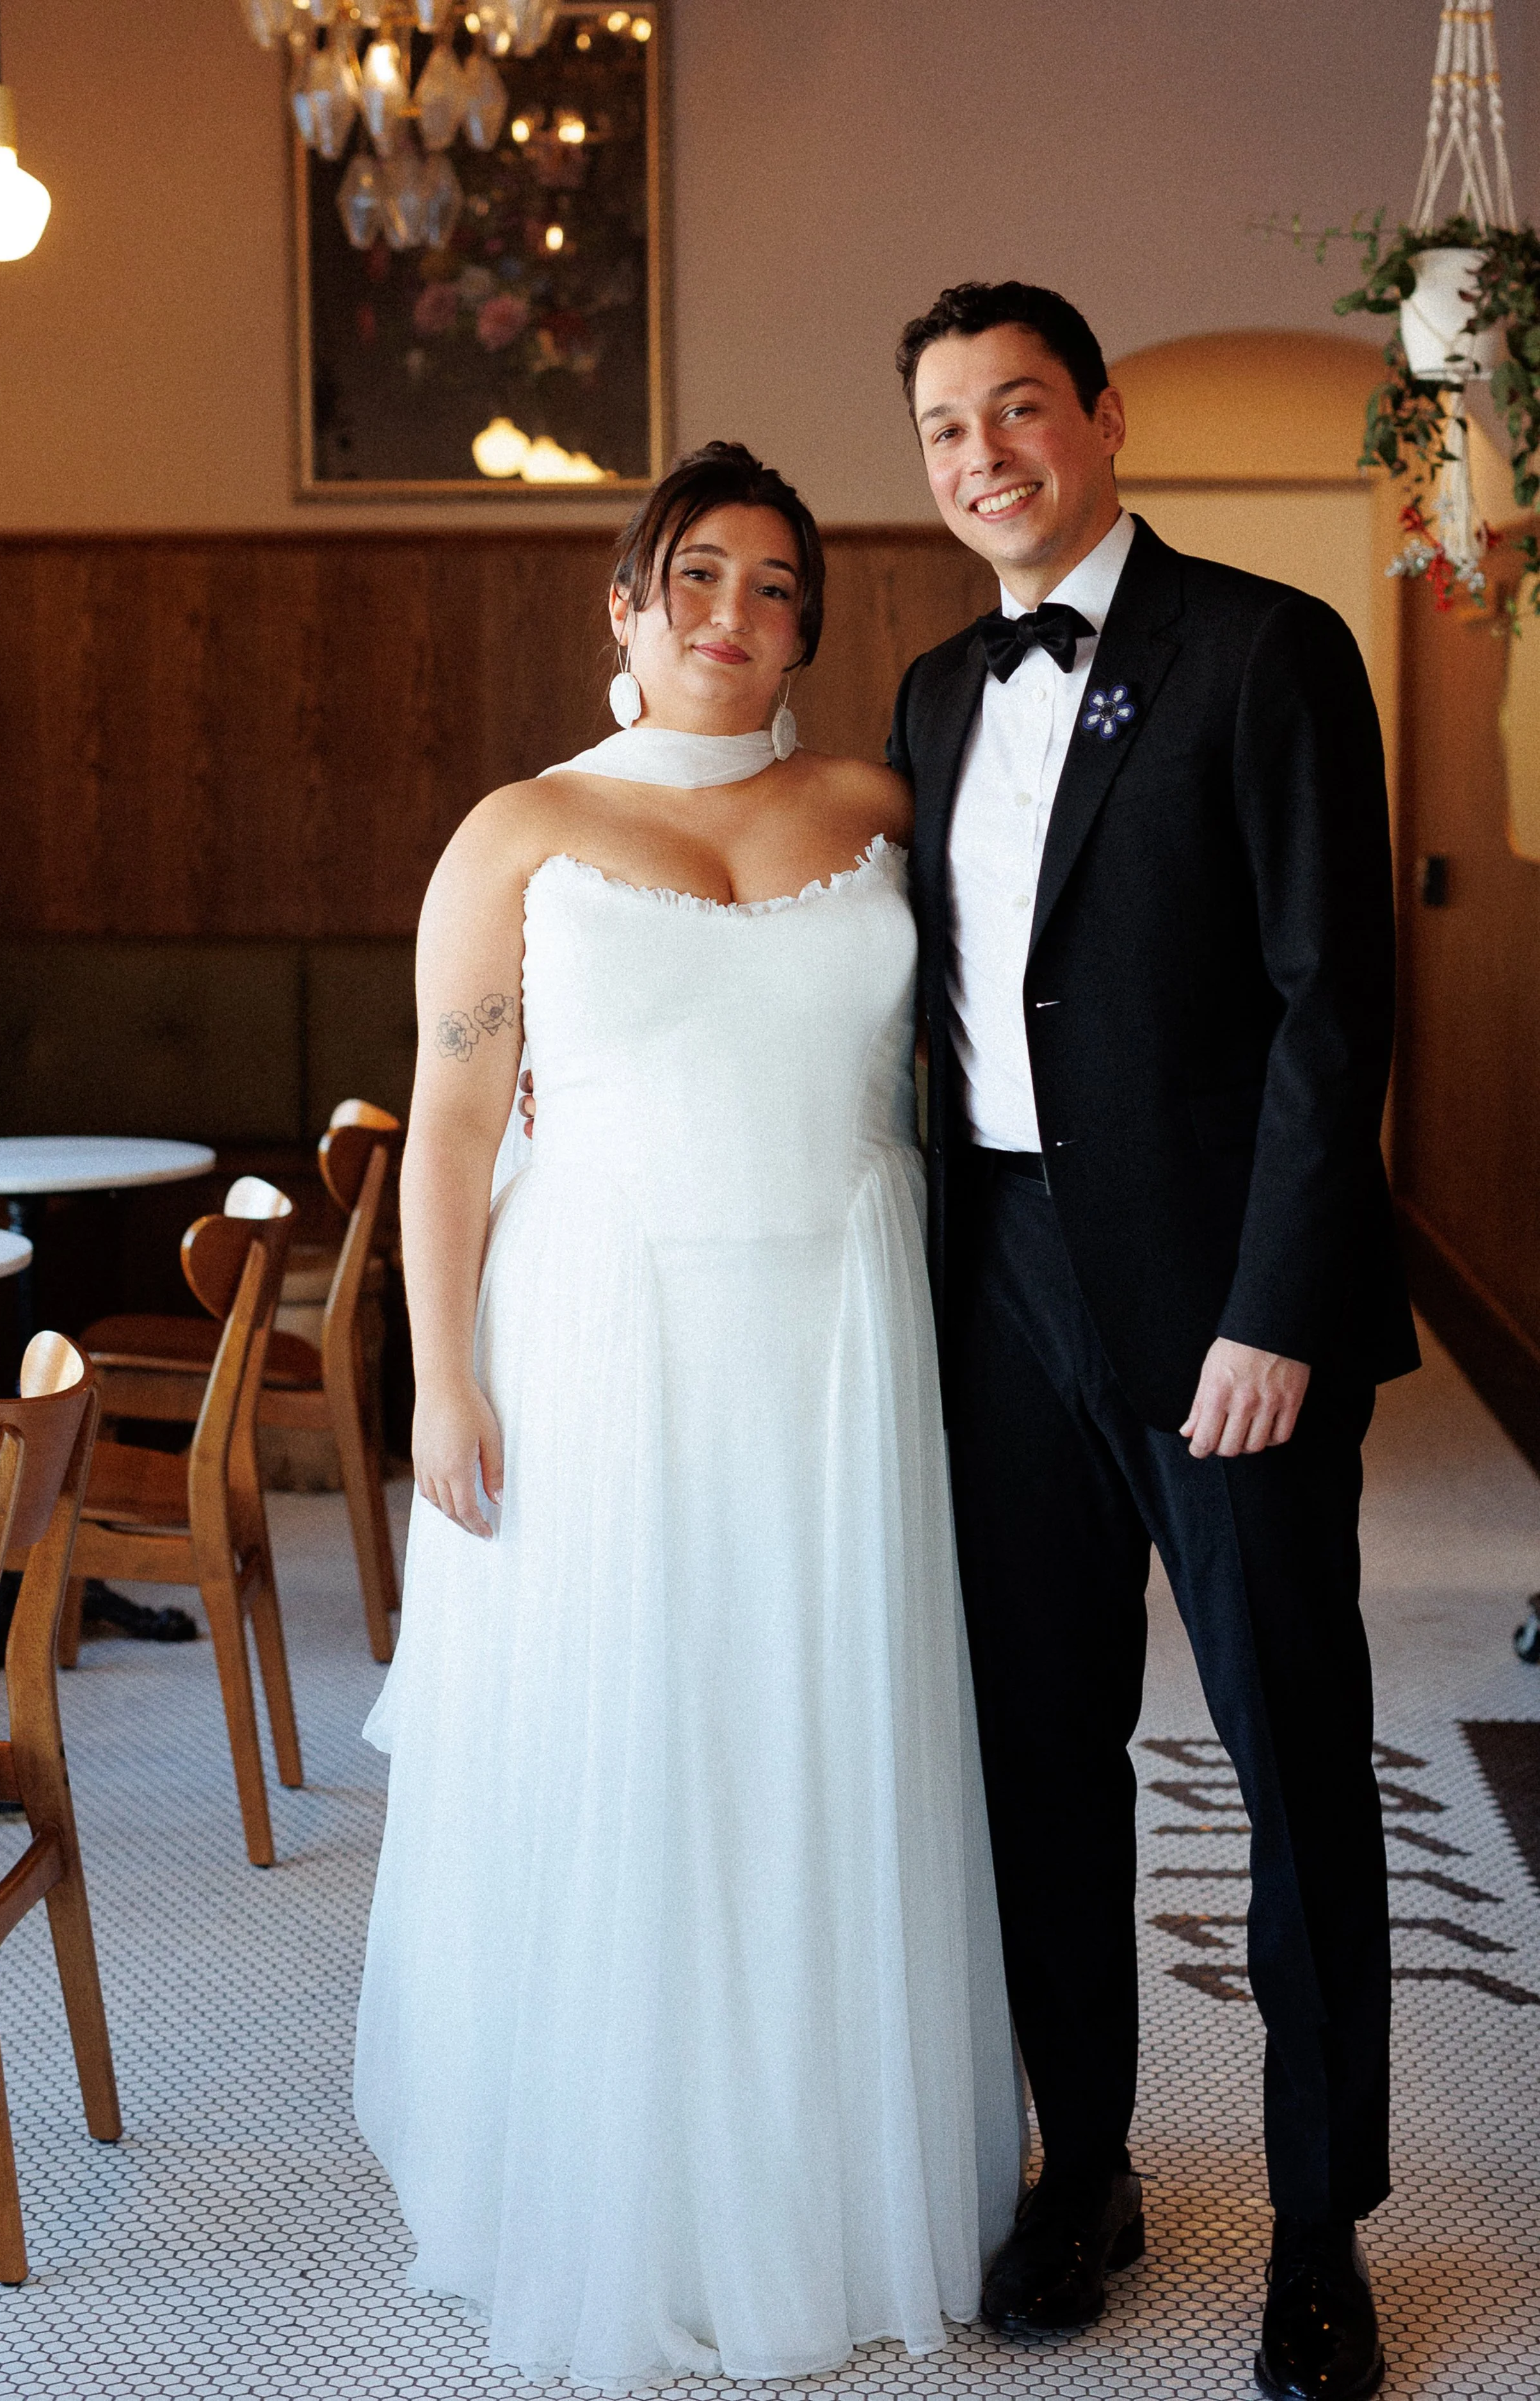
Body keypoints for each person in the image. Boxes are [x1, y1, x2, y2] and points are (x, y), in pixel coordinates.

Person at [353, 441, 1022, 2387]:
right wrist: (443, 1373)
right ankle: (616, 2181)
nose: (735, 616)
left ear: (810, 625)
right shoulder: (520, 830)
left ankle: (824, 2173)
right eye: (696, 578)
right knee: (632, 1733)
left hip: (839, 1328)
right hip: (603, 1336)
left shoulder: (882, 805)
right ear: (625, 606)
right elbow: (458, 1118)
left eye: (776, 587)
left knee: (818, 1731)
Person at [887, 280, 1418, 2401]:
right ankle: (1087, 2162)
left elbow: (1331, 1004)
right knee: (1037, 1751)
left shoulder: (1268, 649)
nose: (982, 453)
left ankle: (1318, 2229)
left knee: (1291, 1748)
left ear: (1100, 418)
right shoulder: (927, 694)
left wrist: (1277, 1303)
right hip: (996, 1286)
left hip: (1219, 1304)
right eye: (942, 429)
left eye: (1016, 408)